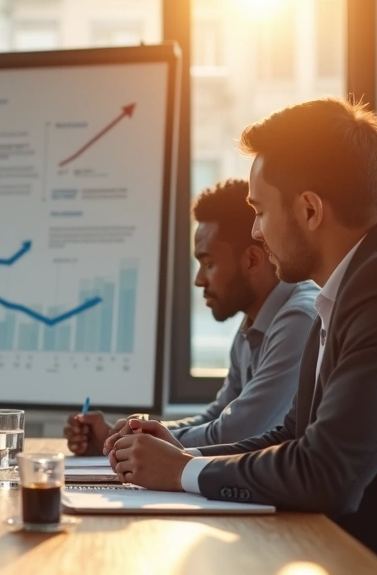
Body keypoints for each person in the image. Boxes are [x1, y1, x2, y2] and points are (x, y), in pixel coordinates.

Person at [107, 97, 377, 567]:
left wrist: (183, 471)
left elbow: (326, 471)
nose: (256, 232)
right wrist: (180, 451)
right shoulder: (349, 289)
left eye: (260, 211)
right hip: (355, 552)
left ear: (308, 210)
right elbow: (292, 436)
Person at [66, 179, 317, 452]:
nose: (199, 280)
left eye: (209, 263)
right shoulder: (253, 325)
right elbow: (218, 415)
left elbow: (237, 432)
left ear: (252, 261)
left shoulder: (299, 320)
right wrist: (120, 435)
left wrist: (134, 440)